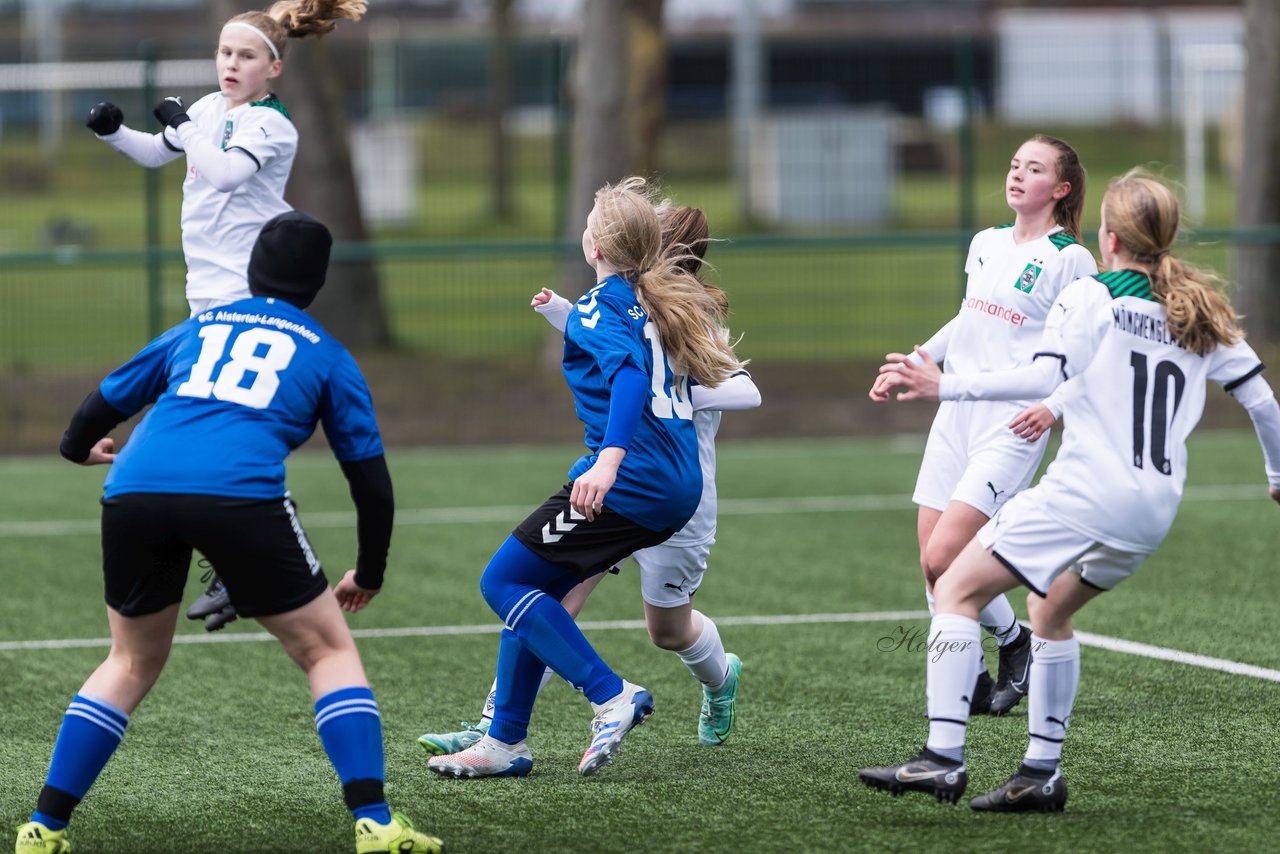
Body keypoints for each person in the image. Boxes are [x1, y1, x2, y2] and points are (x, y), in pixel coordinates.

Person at [13, 212, 443, 854]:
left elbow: (102, 403)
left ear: (250, 271)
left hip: (133, 488)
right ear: (317, 284)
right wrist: (370, 572)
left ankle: (44, 827)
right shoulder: (327, 354)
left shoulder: (197, 328)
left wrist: (78, 448)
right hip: (239, 497)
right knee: (328, 651)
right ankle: (376, 824)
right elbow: (370, 483)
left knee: (129, 659)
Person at [859, 169, 1280, 811]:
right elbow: (1262, 402)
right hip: (1154, 509)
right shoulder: (1198, 310)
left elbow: (1038, 376)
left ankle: (942, 758)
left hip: (1085, 494)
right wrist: (1278, 477)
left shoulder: (1088, 297)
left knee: (954, 587)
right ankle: (1040, 775)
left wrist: (944, 386)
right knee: (1050, 612)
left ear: (1109, 239)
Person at [417, 178, 746, 780]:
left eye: (590, 221)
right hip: (673, 483)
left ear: (594, 247)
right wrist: (562, 315)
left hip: (632, 481)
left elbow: (624, 376)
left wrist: (609, 459)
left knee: (504, 581)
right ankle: (503, 737)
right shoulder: (651, 304)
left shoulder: (607, 306)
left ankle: (609, 696)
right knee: (537, 586)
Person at [84, 0, 367, 632]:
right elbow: (160, 154)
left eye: (245, 56)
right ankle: (234, 565)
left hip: (247, 296)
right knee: (203, 431)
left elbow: (222, 174)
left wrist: (185, 129)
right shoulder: (208, 111)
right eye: (224, 52)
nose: (230, 64)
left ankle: (250, 565)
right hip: (206, 296)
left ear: (274, 68)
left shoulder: (271, 126)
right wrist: (113, 133)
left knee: (218, 430)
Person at [868, 135, 1098, 715]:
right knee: (929, 562)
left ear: (1061, 188)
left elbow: (1088, 355)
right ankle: (976, 672)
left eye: (1036, 169)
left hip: (1011, 423)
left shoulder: (1071, 258)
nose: (1018, 175)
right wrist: (915, 361)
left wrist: (1057, 407)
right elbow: (970, 317)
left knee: (948, 557)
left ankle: (1013, 644)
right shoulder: (986, 243)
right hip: (955, 414)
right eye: (1015, 163)